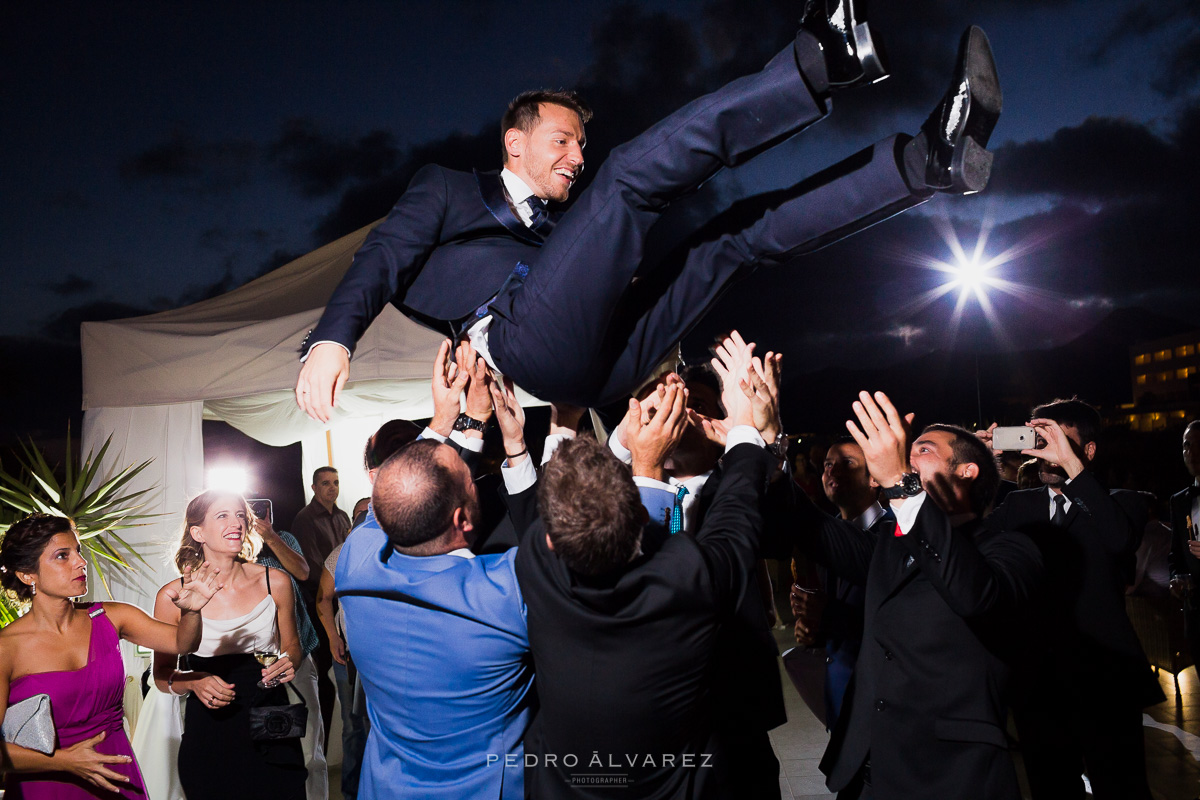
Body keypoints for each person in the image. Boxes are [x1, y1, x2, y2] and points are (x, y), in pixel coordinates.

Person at [295, 10, 1004, 415]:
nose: (576, 156)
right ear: (514, 143)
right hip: (527, 346)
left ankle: (925, 164)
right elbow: (383, 255)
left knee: (735, 242)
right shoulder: (444, 188)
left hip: (601, 368)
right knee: (630, 178)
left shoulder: (557, 232)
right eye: (562, 141)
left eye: (581, 143)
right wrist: (333, 340)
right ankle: (820, 60)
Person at [503, 334, 782, 798]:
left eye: (699, 405)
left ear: (550, 538)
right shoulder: (691, 573)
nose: (686, 411)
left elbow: (567, 503)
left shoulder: (538, 563)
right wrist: (748, 431)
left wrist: (621, 443)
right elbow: (736, 521)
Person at [795, 392, 1042, 799]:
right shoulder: (887, 547)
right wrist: (761, 445)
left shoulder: (1012, 549)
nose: (908, 458)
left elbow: (974, 595)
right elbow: (808, 526)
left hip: (948, 776)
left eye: (923, 450)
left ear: (967, 472)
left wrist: (899, 485)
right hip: (867, 771)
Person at [335, 439, 533, 799]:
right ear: (462, 518)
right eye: (471, 480)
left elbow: (391, 505)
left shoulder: (355, 564)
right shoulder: (505, 590)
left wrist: (462, 424)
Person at [983, 398, 1159, 800]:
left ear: (1089, 450)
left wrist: (1073, 468)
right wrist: (975, 462)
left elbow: (1117, 541)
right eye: (1041, 438)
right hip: (1039, 683)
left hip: (1106, 682)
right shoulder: (1017, 505)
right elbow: (964, 540)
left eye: (1059, 439)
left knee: (1123, 789)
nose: (1047, 450)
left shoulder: (1122, 502)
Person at [0, 513, 220, 798]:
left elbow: (182, 643)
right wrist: (65, 761)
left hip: (117, 777)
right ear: (27, 574)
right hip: (45, 786)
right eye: (62, 556)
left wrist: (192, 611)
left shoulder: (112, 617)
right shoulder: (7, 647)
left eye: (78, 552)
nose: (81, 562)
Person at [153, 491, 306, 800]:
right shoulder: (173, 596)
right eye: (222, 515)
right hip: (211, 726)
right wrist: (194, 682)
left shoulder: (274, 580)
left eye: (239, 515)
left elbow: (293, 647)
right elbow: (161, 676)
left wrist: (288, 662)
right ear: (198, 533)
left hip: (270, 715)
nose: (236, 522)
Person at [787, 435, 893, 730]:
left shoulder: (895, 536)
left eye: (847, 463)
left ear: (874, 478)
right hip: (840, 698)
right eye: (827, 464)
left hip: (884, 701)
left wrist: (828, 615)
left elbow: (900, 620)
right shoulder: (824, 540)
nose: (832, 471)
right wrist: (812, 630)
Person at [253, 513, 327, 800]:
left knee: (310, 750)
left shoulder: (283, 539)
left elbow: (303, 571)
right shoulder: (231, 550)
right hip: (256, 663)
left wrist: (270, 537)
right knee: (265, 748)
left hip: (298, 655)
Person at [290, 466, 350, 750]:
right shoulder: (305, 518)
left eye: (335, 482)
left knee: (342, 670)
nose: (332, 488)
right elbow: (312, 567)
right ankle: (320, 750)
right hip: (319, 601)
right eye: (325, 483)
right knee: (324, 673)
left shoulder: (342, 516)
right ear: (313, 487)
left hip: (341, 600)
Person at [1169, 420, 1200, 659]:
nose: (1191, 452)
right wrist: (1175, 580)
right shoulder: (1179, 502)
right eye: (1186, 445)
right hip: (1195, 609)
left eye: (1197, 445)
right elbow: (1176, 554)